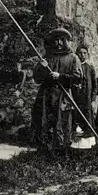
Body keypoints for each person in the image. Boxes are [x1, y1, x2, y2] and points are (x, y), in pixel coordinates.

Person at [31, 28, 82, 157]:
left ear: (65, 42)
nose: (58, 43)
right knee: (44, 121)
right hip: (46, 95)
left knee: (62, 123)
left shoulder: (73, 58)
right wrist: (41, 68)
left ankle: (62, 152)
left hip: (62, 96)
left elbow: (77, 78)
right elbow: (37, 79)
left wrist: (60, 76)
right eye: (55, 40)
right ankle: (44, 151)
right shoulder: (47, 58)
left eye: (61, 40)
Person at [71, 45, 98, 149]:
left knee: (87, 118)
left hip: (87, 99)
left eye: (84, 53)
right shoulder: (73, 67)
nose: (82, 55)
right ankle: (75, 144)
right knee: (76, 118)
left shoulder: (90, 67)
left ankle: (87, 144)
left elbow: (95, 85)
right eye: (80, 53)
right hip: (76, 98)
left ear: (87, 54)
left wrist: (93, 100)